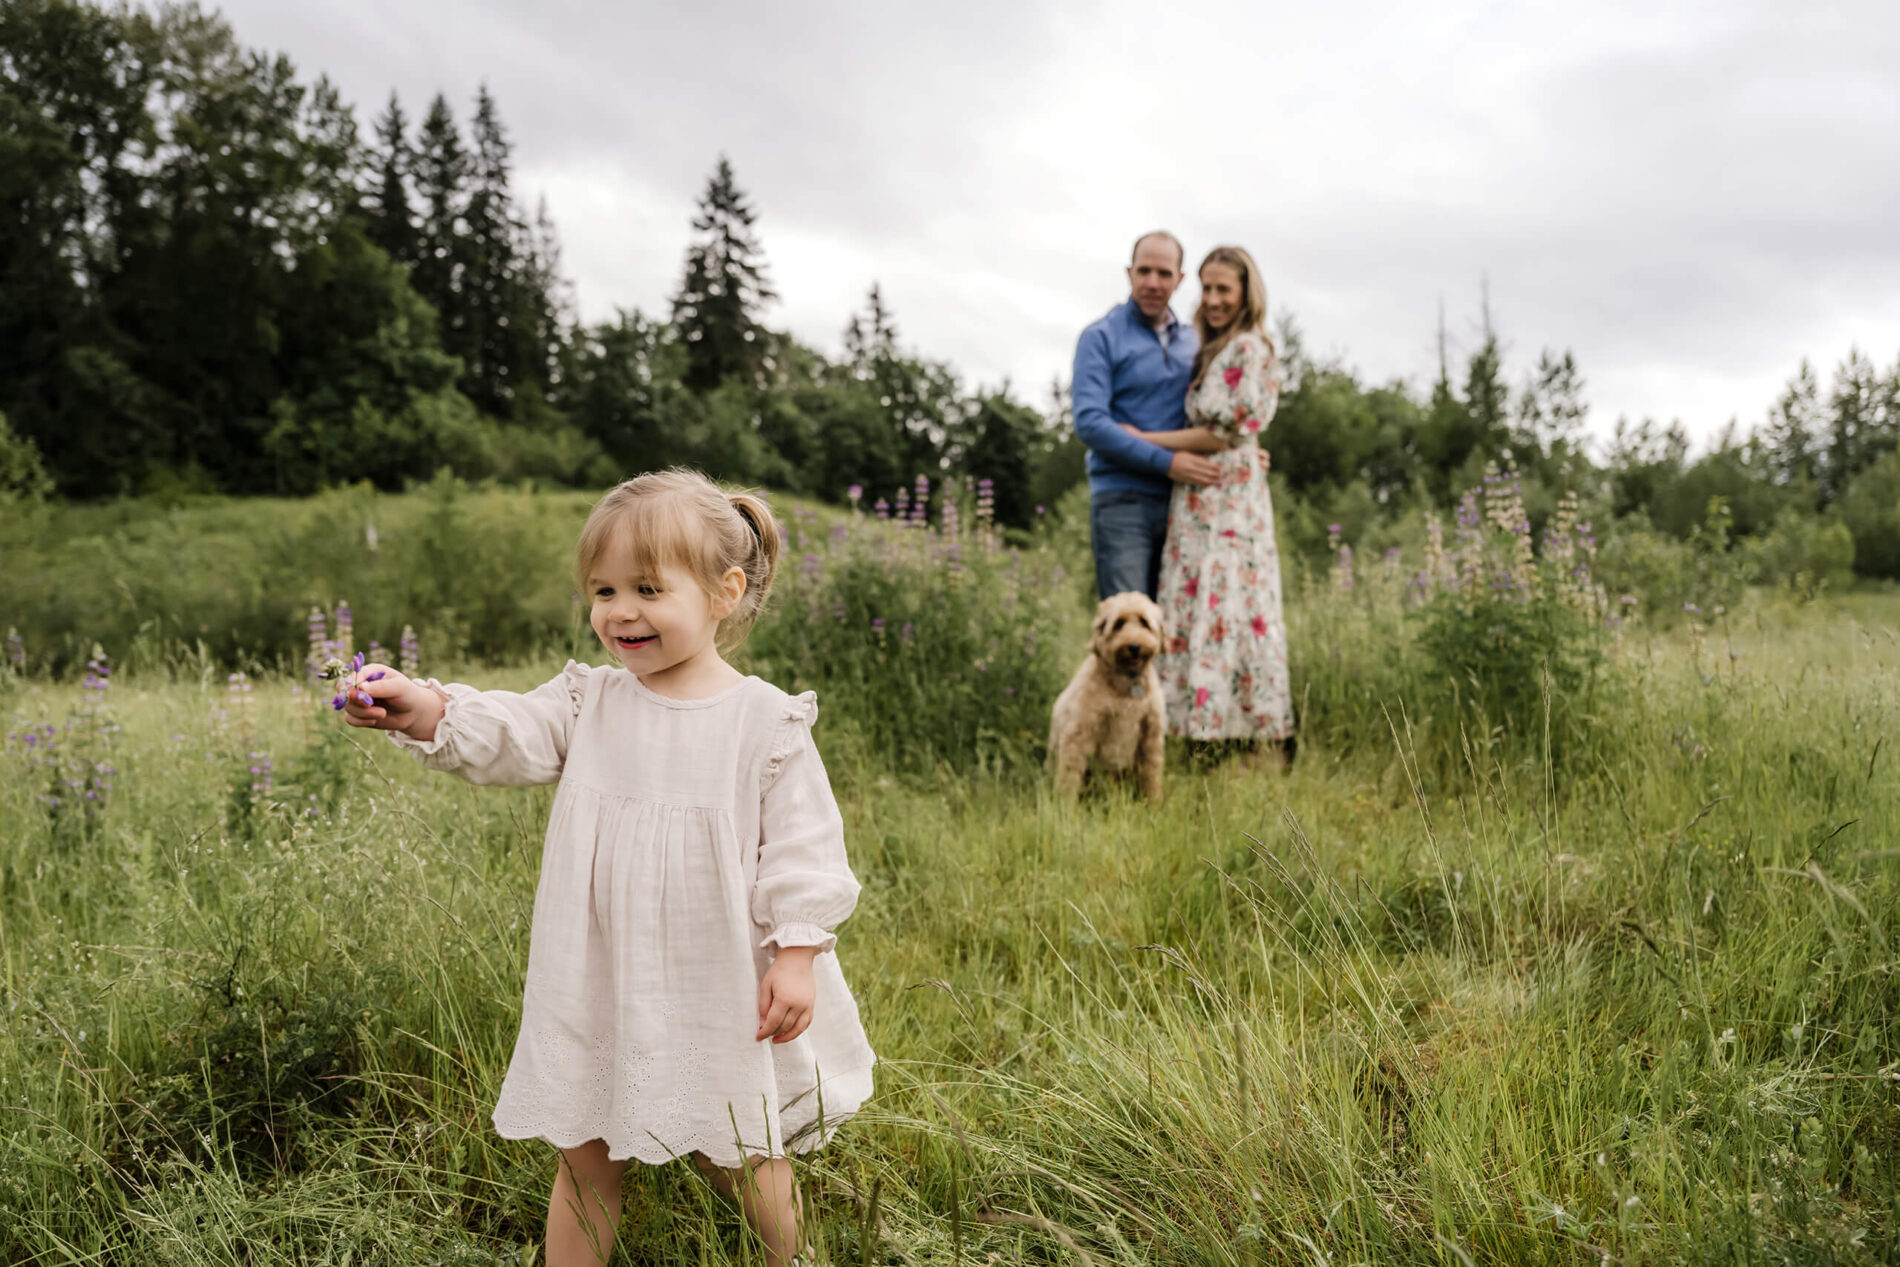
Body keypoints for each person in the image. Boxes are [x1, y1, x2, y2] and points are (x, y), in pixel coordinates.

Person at [337, 470, 875, 1267]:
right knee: (585, 1155)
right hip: (596, 976)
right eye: (604, 589)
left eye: (649, 588)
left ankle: (790, 1261)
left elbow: (803, 849)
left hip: (717, 979)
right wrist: (421, 704)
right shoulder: (592, 703)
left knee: (739, 1148)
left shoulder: (764, 720)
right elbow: (509, 729)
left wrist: (796, 955)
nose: (621, 610)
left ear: (725, 592)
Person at [1130, 245, 1295, 762]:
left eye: (1224, 288)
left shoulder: (1252, 348)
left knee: (1232, 606)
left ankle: (1248, 734)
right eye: (1207, 287)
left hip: (1231, 505)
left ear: (1247, 292)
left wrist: (1142, 440)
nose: (1214, 298)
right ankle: (1195, 729)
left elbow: (1225, 435)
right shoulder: (1211, 346)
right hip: (1199, 501)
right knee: (1198, 605)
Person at [1071, 230, 1220, 601]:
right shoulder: (1100, 337)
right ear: (1129, 273)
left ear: (1181, 279)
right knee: (1129, 624)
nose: (1153, 283)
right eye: (1144, 271)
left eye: (1165, 274)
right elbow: (1090, 422)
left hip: (1186, 500)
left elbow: (1213, 416)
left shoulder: (1196, 341)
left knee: (1177, 622)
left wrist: (1244, 451)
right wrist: (1167, 461)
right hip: (1122, 501)